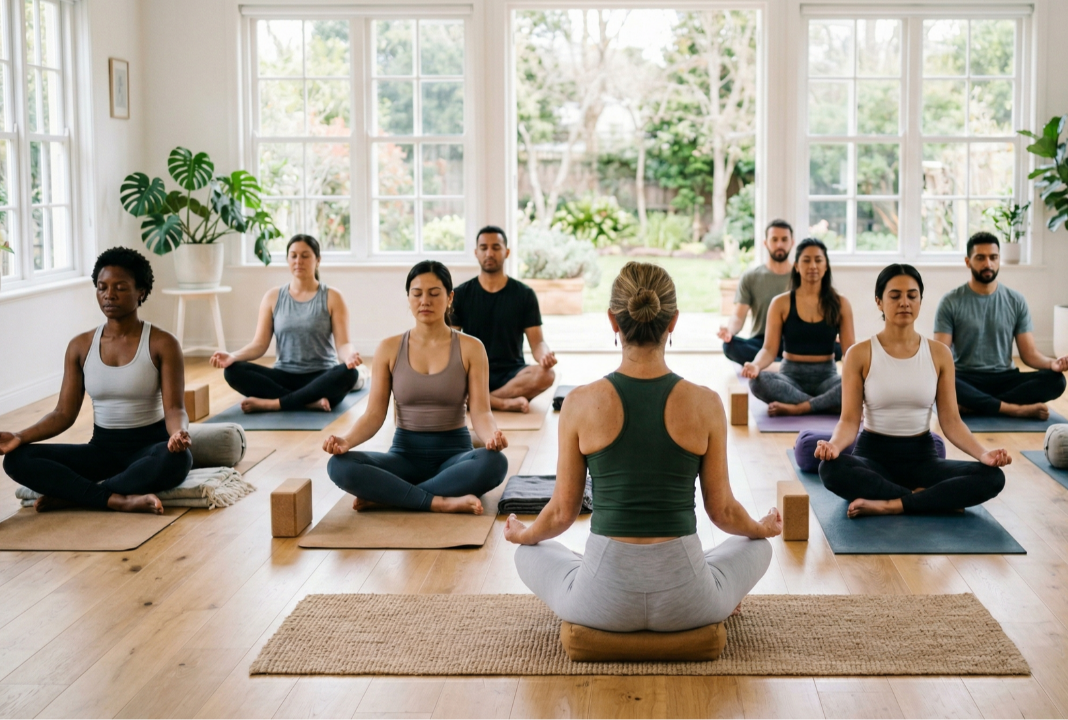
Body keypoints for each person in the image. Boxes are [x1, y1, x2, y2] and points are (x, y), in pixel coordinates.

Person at [505, 261, 780, 632]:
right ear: (673, 321)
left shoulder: (579, 403)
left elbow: (559, 515)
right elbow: (724, 512)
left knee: (529, 552)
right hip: (688, 602)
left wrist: (523, 534)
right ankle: (716, 590)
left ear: (612, 320)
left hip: (601, 601)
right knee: (757, 546)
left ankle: (590, 575)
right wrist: (760, 528)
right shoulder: (707, 403)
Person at [0, 247, 192, 514]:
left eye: (120, 288)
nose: (108, 295)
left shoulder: (162, 343)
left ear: (141, 292)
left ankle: (76, 496)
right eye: (102, 287)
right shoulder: (80, 346)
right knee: (17, 459)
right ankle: (116, 498)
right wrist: (19, 436)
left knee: (178, 460)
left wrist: (178, 433)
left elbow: (174, 408)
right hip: (101, 450)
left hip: (149, 449)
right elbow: (63, 413)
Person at [815, 264, 1010, 517]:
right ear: (879, 302)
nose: (904, 303)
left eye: (912, 295)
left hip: (923, 460)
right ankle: (928, 499)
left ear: (920, 301)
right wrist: (834, 446)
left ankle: (892, 503)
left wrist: (983, 454)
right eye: (895, 296)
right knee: (830, 469)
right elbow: (849, 421)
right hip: (873, 458)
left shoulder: (939, 354)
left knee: (993, 477)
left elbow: (951, 421)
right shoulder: (859, 354)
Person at [322, 261, 509, 513]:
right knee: (338, 465)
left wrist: (491, 437)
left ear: (450, 298)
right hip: (403, 457)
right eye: (417, 293)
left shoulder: (471, 348)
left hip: (455, 457)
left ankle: (392, 496)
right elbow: (374, 414)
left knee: (495, 463)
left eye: (434, 293)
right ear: (408, 298)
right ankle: (439, 501)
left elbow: (481, 412)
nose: (425, 301)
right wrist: (346, 440)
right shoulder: (388, 348)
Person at [210, 235, 360, 413]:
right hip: (284, 376)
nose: (298, 261)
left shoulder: (333, 296)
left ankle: (274, 403)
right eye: (293, 256)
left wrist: (349, 357)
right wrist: (232, 356)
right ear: (288, 259)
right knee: (232, 371)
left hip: (321, 377)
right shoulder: (273, 297)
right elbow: (259, 345)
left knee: (350, 374)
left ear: (318, 260)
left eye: (305, 256)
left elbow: (343, 344)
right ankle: (307, 402)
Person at [934, 232, 1068, 420]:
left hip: (1005, 378)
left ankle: (977, 406)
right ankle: (1013, 409)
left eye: (993, 257)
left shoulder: (1016, 300)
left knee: (1056, 381)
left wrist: (1052, 363)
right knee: (938, 379)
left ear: (999, 259)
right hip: (966, 378)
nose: (988, 264)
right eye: (980, 258)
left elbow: (1029, 354)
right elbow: (941, 355)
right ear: (968, 262)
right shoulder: (950, 301)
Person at [742, 238, 855, 416]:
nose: (813, 266)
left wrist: (862, 375)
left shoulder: (841, 303)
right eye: (806, 260)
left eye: (818, 260)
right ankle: (826, 405)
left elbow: (850, 352)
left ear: (826, 266)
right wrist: (755, 366)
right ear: (796, 266)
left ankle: (800, 407)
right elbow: (769, 349)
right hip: (790, 377)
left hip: (827, 377)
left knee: (860, 384)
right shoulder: (780, 303)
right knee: (758, 381)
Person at [451, 226, 555, 413]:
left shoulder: (524, 294)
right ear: (476, 253)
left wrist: (545, 355)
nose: (489, 253)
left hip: (512, 374)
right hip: (474, 372)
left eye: (496, 247)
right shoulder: (460, 294)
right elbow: (450, 343)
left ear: (506, 252)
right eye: (484, 248)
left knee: (546, 375)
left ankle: (481, 402)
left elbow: (538, 343)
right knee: (443, 379)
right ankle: (503, 403)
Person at [717, 219, 796, 365]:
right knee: (730, 346)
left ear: (792, 242)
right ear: (765, 243)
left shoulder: (804, 277)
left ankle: (769, 365)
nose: (779, 244)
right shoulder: (751, 277)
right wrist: (730, 331)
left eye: (784, 239)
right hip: (761, 342)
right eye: (774, 239)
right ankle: (786, 365)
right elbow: (738, 317)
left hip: (794, 342)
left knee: (834, 348)